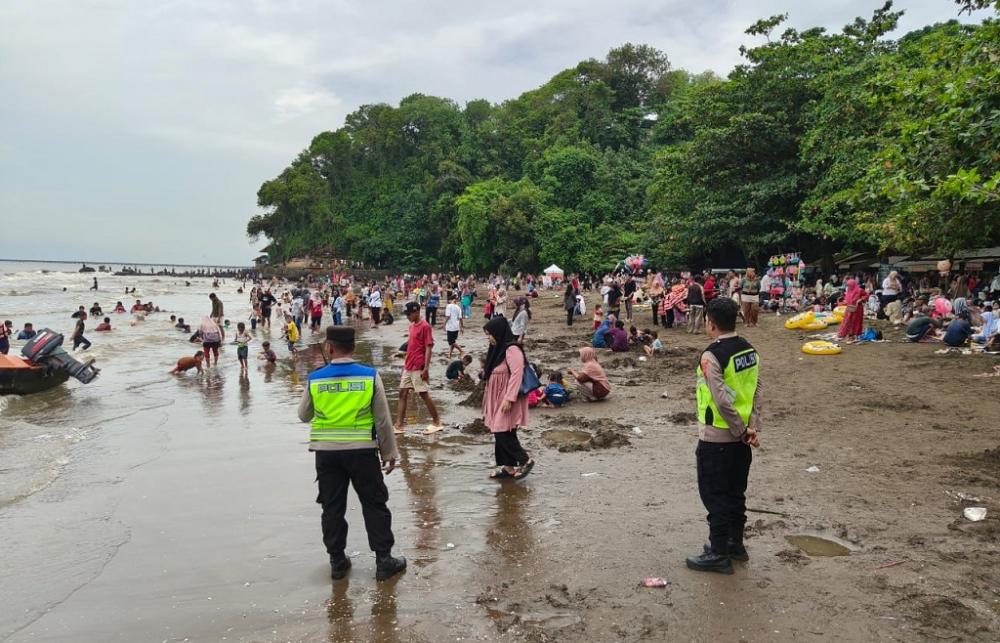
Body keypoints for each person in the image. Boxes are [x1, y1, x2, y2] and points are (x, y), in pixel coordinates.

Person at [296, 326, 407, 581]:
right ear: (354, 348)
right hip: (362, 452)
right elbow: (382, 420)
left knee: (332, 506)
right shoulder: (369, 376)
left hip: (326, 453)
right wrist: (389, 452)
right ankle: (383, 560)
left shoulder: (316, 378)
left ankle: (337, 561)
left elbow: (303, 415)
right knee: (374, 503)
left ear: (329, 348)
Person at [687, 297, 761, 574]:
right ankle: (734, 544)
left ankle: (718, 553)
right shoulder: (750, 351)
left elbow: (720, 399)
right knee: (735, 493)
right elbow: (756, 390)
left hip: (717, 437)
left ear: (711, 322)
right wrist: (751, 428)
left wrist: (741, 429)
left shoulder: (711, 355)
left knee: (714, 495)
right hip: (742, 438)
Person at [482, 316, 534, 480]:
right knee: (504, 431)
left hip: (507, 398)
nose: (488, 337)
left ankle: (525, 460)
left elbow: (517, 374)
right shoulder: (497, 350)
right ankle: (508, 468)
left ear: (498, 332)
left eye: (489, 334)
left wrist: (509, 398)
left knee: (501, 430)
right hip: (497, 397)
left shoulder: (512, 349)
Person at [394, 302, 443, 435]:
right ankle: (399, 425)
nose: (407, 317)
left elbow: (428, 347)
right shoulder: (412, 326)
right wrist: (402, 354)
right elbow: (412, 345)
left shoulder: (425, 327)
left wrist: (426, 368)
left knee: (423, 394)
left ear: (416, 312)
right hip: (408, 365)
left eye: (409, 314)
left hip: (418, 365)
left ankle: (437, 422)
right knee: (402, 393)